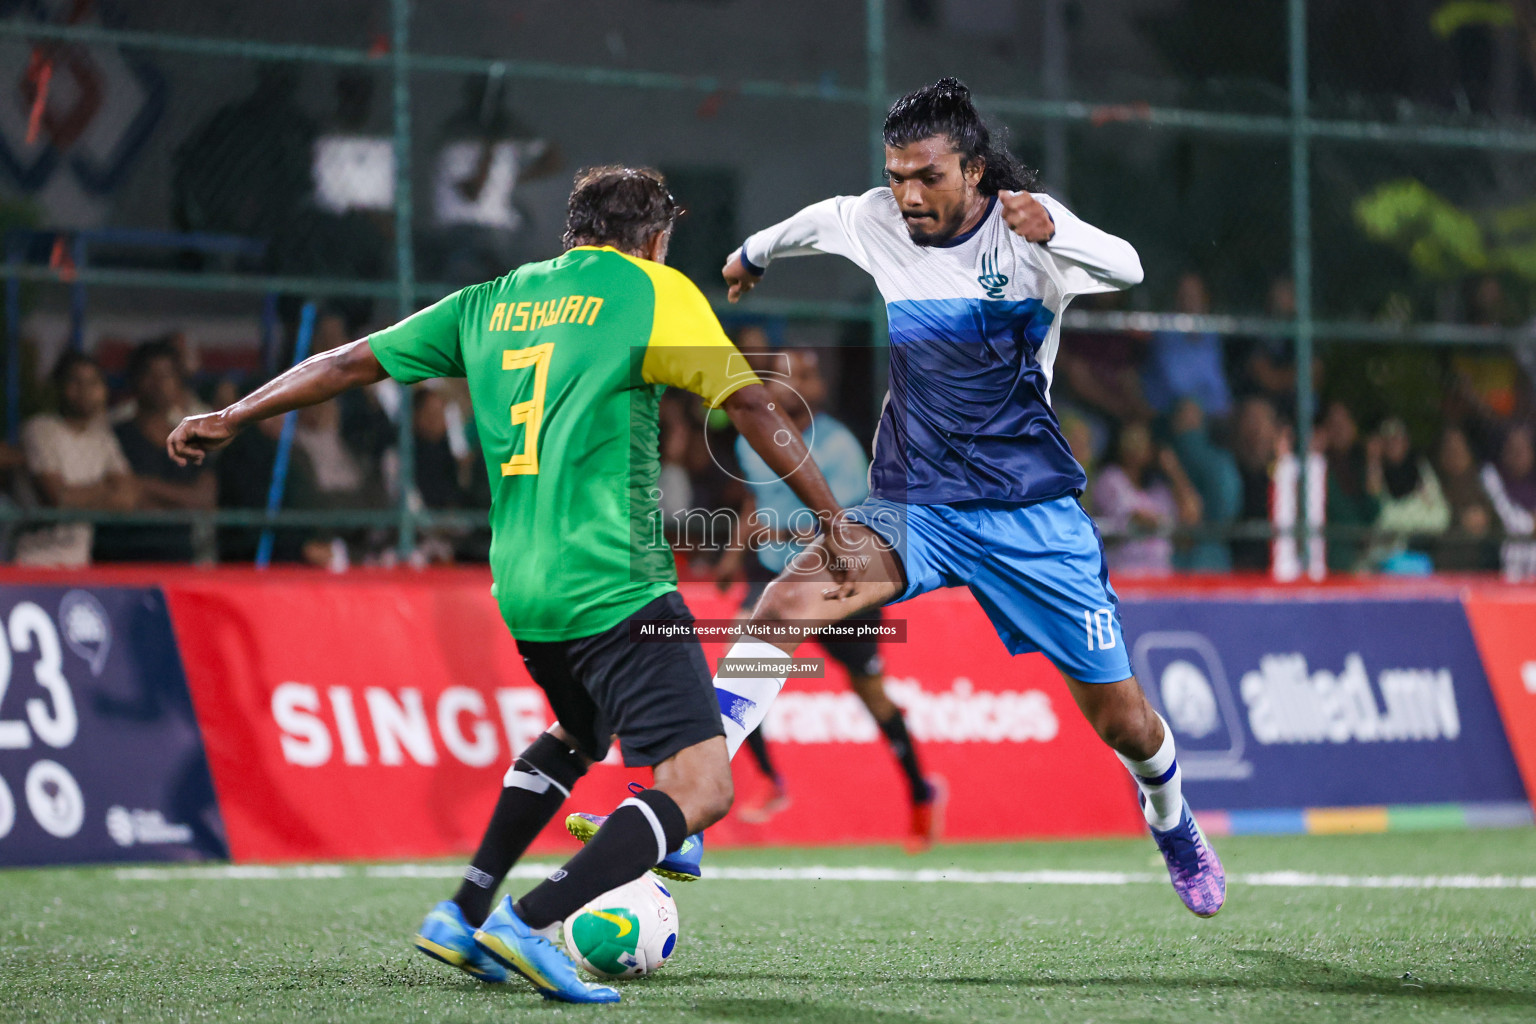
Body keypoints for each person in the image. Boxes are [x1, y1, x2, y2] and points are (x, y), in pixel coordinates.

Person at [166, 165, 851, 1004]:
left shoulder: (490, 300)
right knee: (701, 788)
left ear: (574, 229)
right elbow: (748, 406)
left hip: (524, 592)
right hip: (616, 582)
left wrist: (232, 416)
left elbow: (349, 363)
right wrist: (830, 518)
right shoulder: (653, 291)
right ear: (656, 237)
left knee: (576, 734)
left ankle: (463, 911)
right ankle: (530, 923)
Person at [577, 79, 1225, 918]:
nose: (908, 195)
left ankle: (1172, 821)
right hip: (916, 505)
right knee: (783, 601)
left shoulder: (1028, 233)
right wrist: (755, 252)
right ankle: (688, 807)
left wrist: (1058, 227)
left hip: (1030, 517)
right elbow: (821, 219)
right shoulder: (883, 219)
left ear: (975, 171)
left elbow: (1130, 266)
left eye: (927, 176)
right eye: (896, 176)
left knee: (1125, 721)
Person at [730, 349, 943, 846]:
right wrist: (732, 556)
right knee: (741, 664)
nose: (801, 383)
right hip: (772, 574)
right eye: (791, 376)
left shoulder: (841, 447)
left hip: (839, 577)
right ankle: (768, 779)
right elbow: (757, 501)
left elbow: (853, 524)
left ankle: (920, 791)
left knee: (872, 696)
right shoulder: (752, 438)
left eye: (809, 375)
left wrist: (777, 527)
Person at [96, 339, 216, 562]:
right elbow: (119, 498)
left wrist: (144, 485)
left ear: (179, 382)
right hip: (120, 560)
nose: (159, 383)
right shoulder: (112, 437)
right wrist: (177, 500)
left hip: (178, 561)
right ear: (134, 380)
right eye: (150, 374)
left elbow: (204, 500)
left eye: (167, 375)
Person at [14, 353, 137, 566]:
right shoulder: (40, 428)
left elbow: (128, 497)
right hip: (33, 562)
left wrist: (78, 495)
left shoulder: (103, 437)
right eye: (75, 381)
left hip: (79, 564)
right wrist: (105, 489)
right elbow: (58, 497)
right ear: (59, 386)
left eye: (92, 382)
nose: (85, 391)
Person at [1092, 420, 1202, 576]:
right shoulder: (1110, 478)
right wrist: (1160, 523)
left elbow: (1191, 518)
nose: (1135, 447)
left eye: (1141, 441)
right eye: (1131, 440)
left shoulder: (1159, 489)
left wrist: (1173, 470)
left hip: (1160, 577)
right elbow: (1134, 517)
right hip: (1124, 574)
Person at [1141, 271, 1231, 420]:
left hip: (1213, 412)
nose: (1190, 300)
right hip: (1169, 412)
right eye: (1185, 294)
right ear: (1176, 298)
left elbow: (1218, 385)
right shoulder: (1165, 332)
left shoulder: (1211, 334)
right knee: (1188, 412)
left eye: (1195, 294)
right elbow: (1176, 385)